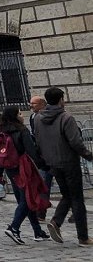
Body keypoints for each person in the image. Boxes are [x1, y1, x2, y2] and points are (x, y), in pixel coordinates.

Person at [33, 87, 93, 245]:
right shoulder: (66, 117)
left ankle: (56, 222)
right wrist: (88, 155)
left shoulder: (38, 118)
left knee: (67, 195)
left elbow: (38, 141)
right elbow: (75, 142)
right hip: (69, 162)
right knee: (77, 198)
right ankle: (83, 236)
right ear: (60, 100)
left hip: (52, 163)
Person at [0, 105, 50, 244]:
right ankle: (14, 227)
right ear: (15, 116)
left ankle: (37, 231)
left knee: (23, 199)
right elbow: (31, 151)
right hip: (22, 168)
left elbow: (0, 153)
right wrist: (44, 165)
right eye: (19, 113)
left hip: (9, 168)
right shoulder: (21, 130)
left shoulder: (1, 131)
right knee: (27, 199)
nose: (22, 115)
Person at [29, 95, 53, 218]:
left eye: (34, 104)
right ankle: (41, 211)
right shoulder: (33, 117)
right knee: (44, 184)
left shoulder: (50, 115)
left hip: (55, 155)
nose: (31, 106)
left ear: (42, 104)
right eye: (31, 103)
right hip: (42, 157)